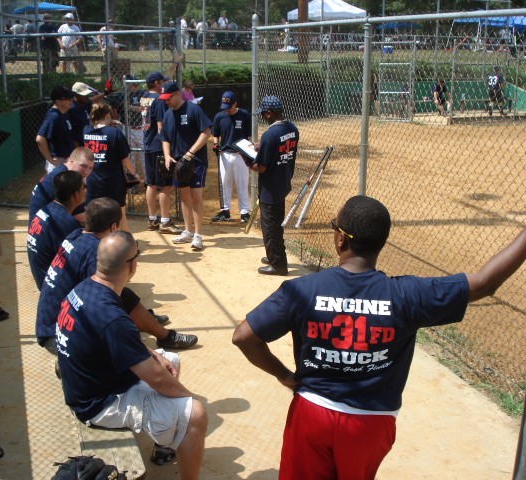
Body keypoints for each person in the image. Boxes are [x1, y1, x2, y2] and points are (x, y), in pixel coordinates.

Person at [233, 194, 526, 480]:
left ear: (340, 239)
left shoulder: (301, 290)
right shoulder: (406, 295)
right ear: (380, 243)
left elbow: (244, 336)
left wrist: (283, 374)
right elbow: (486, 282)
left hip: (312, 412)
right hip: (372, 422)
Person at [57, 230, 207, 479]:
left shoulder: (85, 288)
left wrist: (154, 355)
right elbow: (156, 379)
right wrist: (190, 399)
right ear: (132, 265)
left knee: (170, 359)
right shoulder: (112, 316)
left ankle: (164, 445)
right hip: (97, 404)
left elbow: (118, 340)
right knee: (196, 414)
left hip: (88, 384)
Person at [36, 197, 198, 353]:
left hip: (51, 323)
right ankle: (71, 363)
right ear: (114, 227)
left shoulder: (77, 234)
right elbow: (99, 304)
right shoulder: (95, 252)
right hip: (59, 335)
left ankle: (157, 330)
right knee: (117, 306)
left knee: (123, 295)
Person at [248, 95, 298, 276]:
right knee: (276, 223)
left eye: (263, 113)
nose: (262, 116)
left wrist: (246, 159)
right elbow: (280, 147)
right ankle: (274, 255)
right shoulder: (292, 128)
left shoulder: (270, 134)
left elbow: (260, 167)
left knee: (270, 226)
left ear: (269, 113)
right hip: (283, 181)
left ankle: (278, 265)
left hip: (270, 186)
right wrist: (262, 146)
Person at [160, 81, 212, 251]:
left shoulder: (193, 109)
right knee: (184, 196)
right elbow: (165, 137)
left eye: (168, 98)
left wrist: (190, 153)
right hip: (177, 162)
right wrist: (167, 155)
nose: (166, 101)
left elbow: (206, 132)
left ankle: (198, 235)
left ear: (176, 94)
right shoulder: (168, 114)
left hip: (195, 161)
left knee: (196, 197)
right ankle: (188, 231)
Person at [140, 63, 183, 235]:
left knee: (151, 184)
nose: (164, 84)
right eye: (162, 82)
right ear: (157, 83)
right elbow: (160, 126)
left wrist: (174, 64)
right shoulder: (159, 100)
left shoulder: (144, 96)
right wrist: (169, 146)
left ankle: (152, 219)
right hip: (159, 146)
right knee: (165, 185)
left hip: (148, 145)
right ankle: (165, 221)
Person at [83, 102, 139, 232]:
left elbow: (98, 127)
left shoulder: (86, 130)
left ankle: (91, 242)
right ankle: (126, 245)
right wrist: (134, 173)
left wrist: (109, 121)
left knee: (92, 213)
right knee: (120, 214)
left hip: (93, 179)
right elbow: (125, 159)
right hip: (112, 181)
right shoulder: (115, 133)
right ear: (108, 115)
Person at [27, 170, 86, 290]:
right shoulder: (65, 223)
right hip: (53, 285)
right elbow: (77, 259)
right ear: (75, 194)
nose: (86, 191)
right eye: (84, 187)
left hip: (43, 276)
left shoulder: (46, 210)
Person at [211, 91, 252, 224]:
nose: (226, 109)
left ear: (235, 103)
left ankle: (244, 213)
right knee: (225, 183)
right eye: (224, 107)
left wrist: (248, 152)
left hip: (241, 155)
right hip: (225, 154)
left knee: (242, 184)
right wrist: (216, 144)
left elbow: (249, 135)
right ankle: (225, 211)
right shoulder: (219, 117)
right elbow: (214, 133)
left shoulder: (244, 115)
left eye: (229, 106)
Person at [29, 146, 94, 226]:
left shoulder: (62, 170)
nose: (87, 172)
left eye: (90, 168)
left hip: (39, 223)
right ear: (71, 161)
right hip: (44, 226)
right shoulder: (66, 179)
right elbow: (79, 216)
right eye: (83, 166)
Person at [36, 85, 75, 173]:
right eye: (68, 98)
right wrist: (52, 161)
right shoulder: (54, 116)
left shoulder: (64, 114)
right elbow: (40, 139)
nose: (71, 100)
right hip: (58, 162)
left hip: (66, 160)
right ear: (58, 101)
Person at [68, 82, 108, 148]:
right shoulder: (71, 109)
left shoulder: (83, 103)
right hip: (77, 146)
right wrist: (72, 141)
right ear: (75, 95)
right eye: (84, 95)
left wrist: (105, 93)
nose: (87, 97)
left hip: (85, 143)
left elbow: (92, 100)